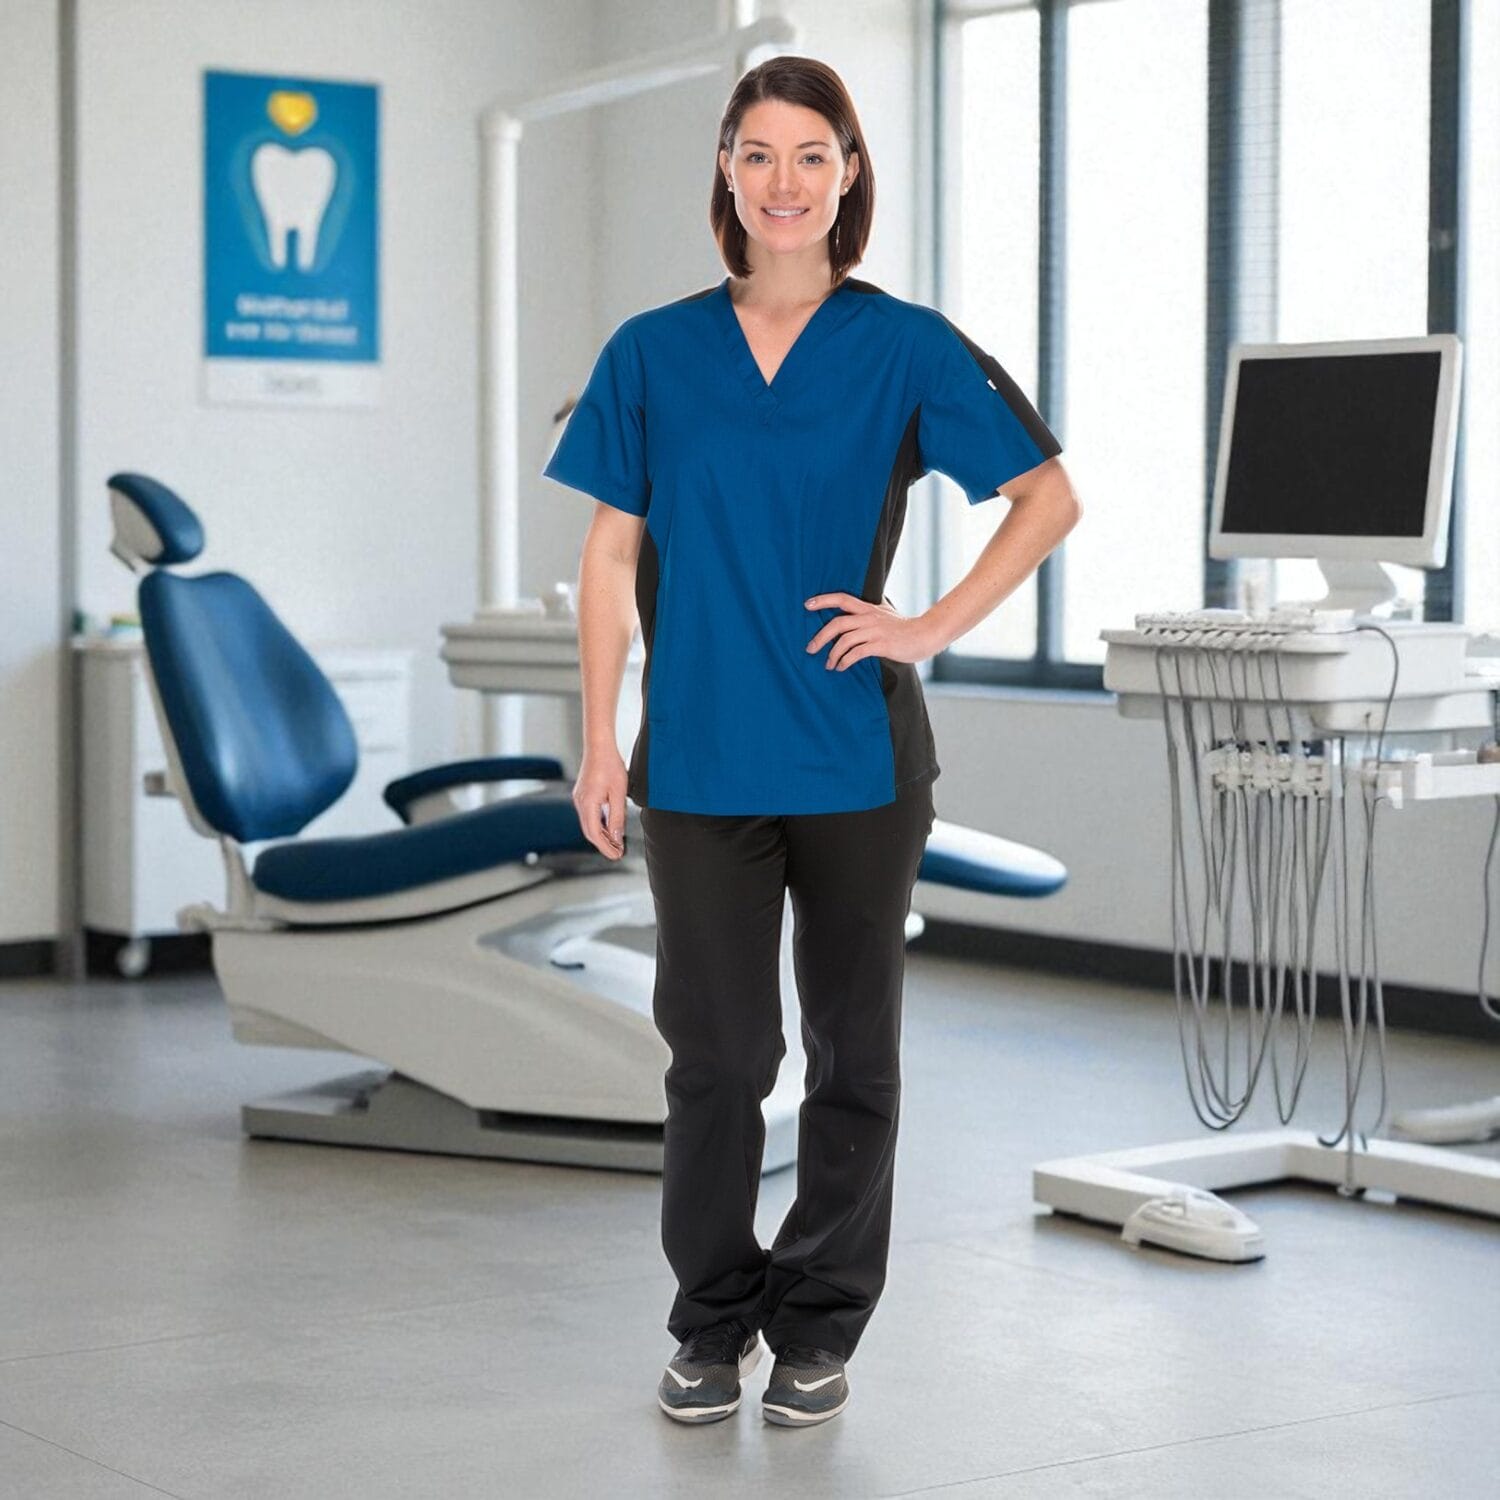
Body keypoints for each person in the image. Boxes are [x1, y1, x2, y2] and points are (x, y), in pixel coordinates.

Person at [542, 54, 1081, 1428]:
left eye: (811, 155)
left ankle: (822, 1319)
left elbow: (1045, 496)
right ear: (725, 171)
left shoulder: (903, 343)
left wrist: (926, 626)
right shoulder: (652, 351)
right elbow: (609, 557)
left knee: (857, 1055)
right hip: (704, 760)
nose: (785, 183)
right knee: (717, 1058)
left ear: (848, 174)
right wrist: (598, 743)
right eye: (758, 154)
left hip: (857, 759)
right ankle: (711, 1324)